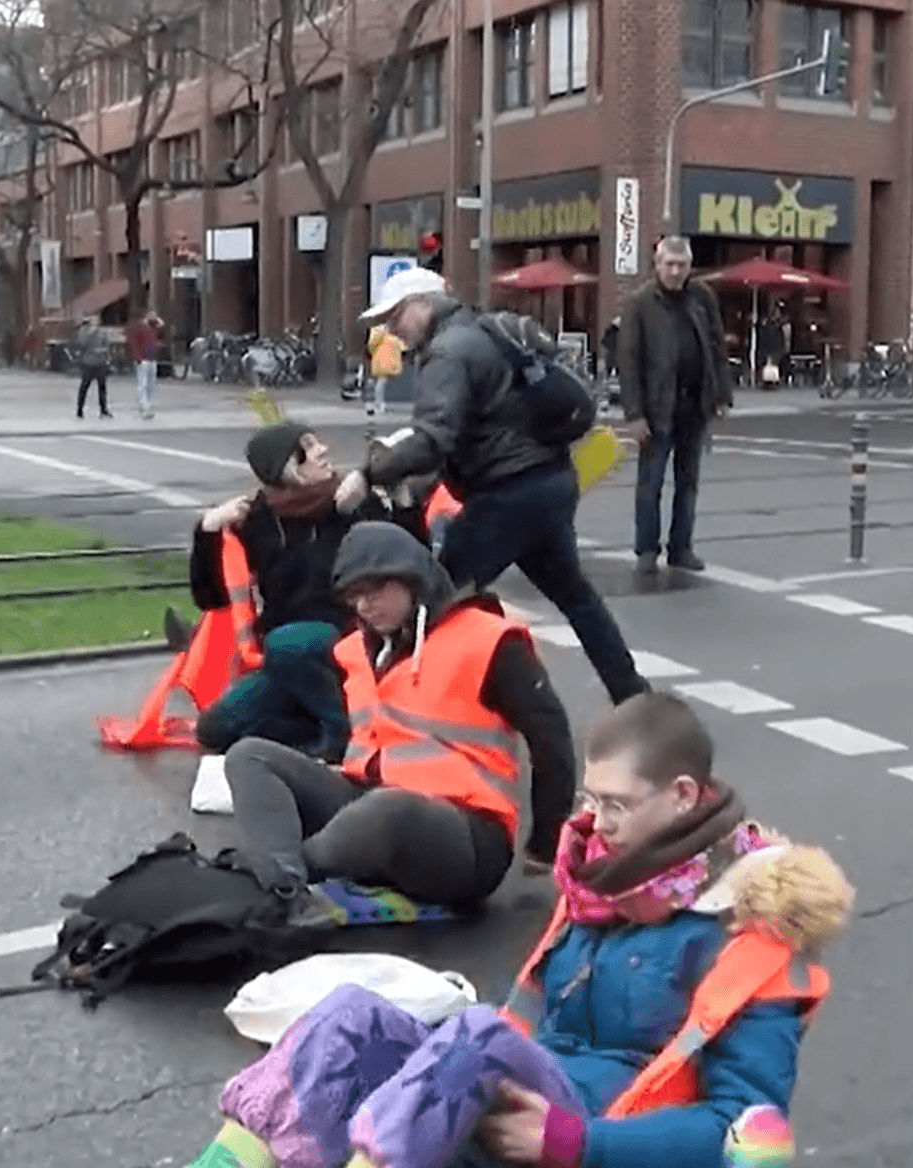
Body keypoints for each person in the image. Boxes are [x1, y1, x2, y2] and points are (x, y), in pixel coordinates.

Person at [190, 691, 852, 1168]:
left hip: (600, 1133)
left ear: (682, 795)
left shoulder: (753, 931)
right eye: (590, 800)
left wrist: (575, 1143)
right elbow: (527, 1027)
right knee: (347, 1018)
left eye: (616, 805)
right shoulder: (607, 884)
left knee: (473, 1035)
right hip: (517, 1101)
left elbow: (748, 1132)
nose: (595, 823)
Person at [219, 521, 575, 918]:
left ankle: (272, 886)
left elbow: (552, 739)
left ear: (414, 580)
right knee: (249, 755)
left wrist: (545, 842)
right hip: (370, 804)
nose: (365, 605)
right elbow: (363, 736)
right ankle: (281, 880)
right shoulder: (354, 650)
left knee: (390, 808)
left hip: (466, 835)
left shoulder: (488, 640)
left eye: (376, 588)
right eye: (355, 595)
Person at [359, 267, 649, 707]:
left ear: (421, 304)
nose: (391, 329)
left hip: (505, 494)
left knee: (433, 594)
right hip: (548, 482)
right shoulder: (482, 329)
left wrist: (368, 474)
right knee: (577, 599)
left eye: (395, 316)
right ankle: (632, 697)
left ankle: (408, 703)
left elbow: (435, 435)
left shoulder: (447, 353)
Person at [189, 423, 426, 758]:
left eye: (318, 443)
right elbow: (211, 598)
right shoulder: (259, 518)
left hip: (350, 641)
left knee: (290, 643)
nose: (323, 451)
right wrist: (207, 531)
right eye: (308, 448)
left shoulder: (352, 501)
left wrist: (400, 503)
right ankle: (319, 721)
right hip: (286, 660)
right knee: (214, 729)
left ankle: (340, 735)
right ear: (284, 468)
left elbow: (413, 562)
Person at [616, 236, 731, 576]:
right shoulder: (640, 303)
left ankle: (681, 547)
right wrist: (634, 414)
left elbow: (716, 345)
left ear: (690, 267)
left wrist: (721, 394)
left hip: (693, 405)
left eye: (682, 265)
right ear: (658, 265)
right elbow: (629, 361)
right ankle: (647, 549)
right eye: (670, 264)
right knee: (650, 484)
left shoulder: (702, 297)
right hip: (656, 408)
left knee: (688, 482)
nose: (676, 271)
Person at [74, 314, 114, 419]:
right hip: (88, 362)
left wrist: (104, 352)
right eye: (92, 320)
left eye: (96, 320)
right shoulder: (84, 331)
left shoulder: (103, 332)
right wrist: (90, 332)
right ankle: (79, 409)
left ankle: (103, 409)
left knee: (102, 387)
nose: (95, 322)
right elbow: (81, 343)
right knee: (84, 387)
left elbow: (108, 343)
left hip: (100, 362)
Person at [127, 310, 165, 419]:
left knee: (151, 384)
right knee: (142, 383)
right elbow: (134, 343)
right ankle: (144, 405)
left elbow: (161, 332)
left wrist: (160, 323)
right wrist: (138, 357)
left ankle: (145, 402)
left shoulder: (153, 328)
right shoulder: (140, 328)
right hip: (143, 359)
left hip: (152, 359)